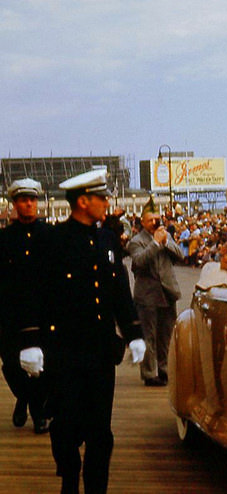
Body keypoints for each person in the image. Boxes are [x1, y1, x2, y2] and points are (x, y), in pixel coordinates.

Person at [37, 168, 146, 494]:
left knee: (101, 432)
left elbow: (118, 290)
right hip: (65, 350)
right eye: (101, 197)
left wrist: (133, 332)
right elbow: (38, 293)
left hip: (100, 350)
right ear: (83, 201)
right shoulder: (55, 240)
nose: (107, 202)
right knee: (66, 427)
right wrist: (32, 341)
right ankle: (69, 480)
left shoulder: (107, 239)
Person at [0, 178, 52, 433]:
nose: (29, 204)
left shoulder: (50, 236)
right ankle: (24, 397)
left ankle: (38, 412)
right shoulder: (5, 239)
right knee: (11, 366)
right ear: (15, 204)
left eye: (32, 199)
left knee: (42, 367)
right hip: (12, 316)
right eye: (23, 200)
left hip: (44, 314)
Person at [126, 199, 184, 387]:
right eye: (151, 220)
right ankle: (150, 373)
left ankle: (165, 370)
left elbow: (180, 256)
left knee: (166, 336)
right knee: (148, 336)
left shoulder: (165, 236)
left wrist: (166, 242)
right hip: (147, 295)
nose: (155, 223)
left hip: (167, 293)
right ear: (142, 222)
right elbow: (139, 261)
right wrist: (155, 244)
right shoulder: (136, 242)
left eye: (157, 219)